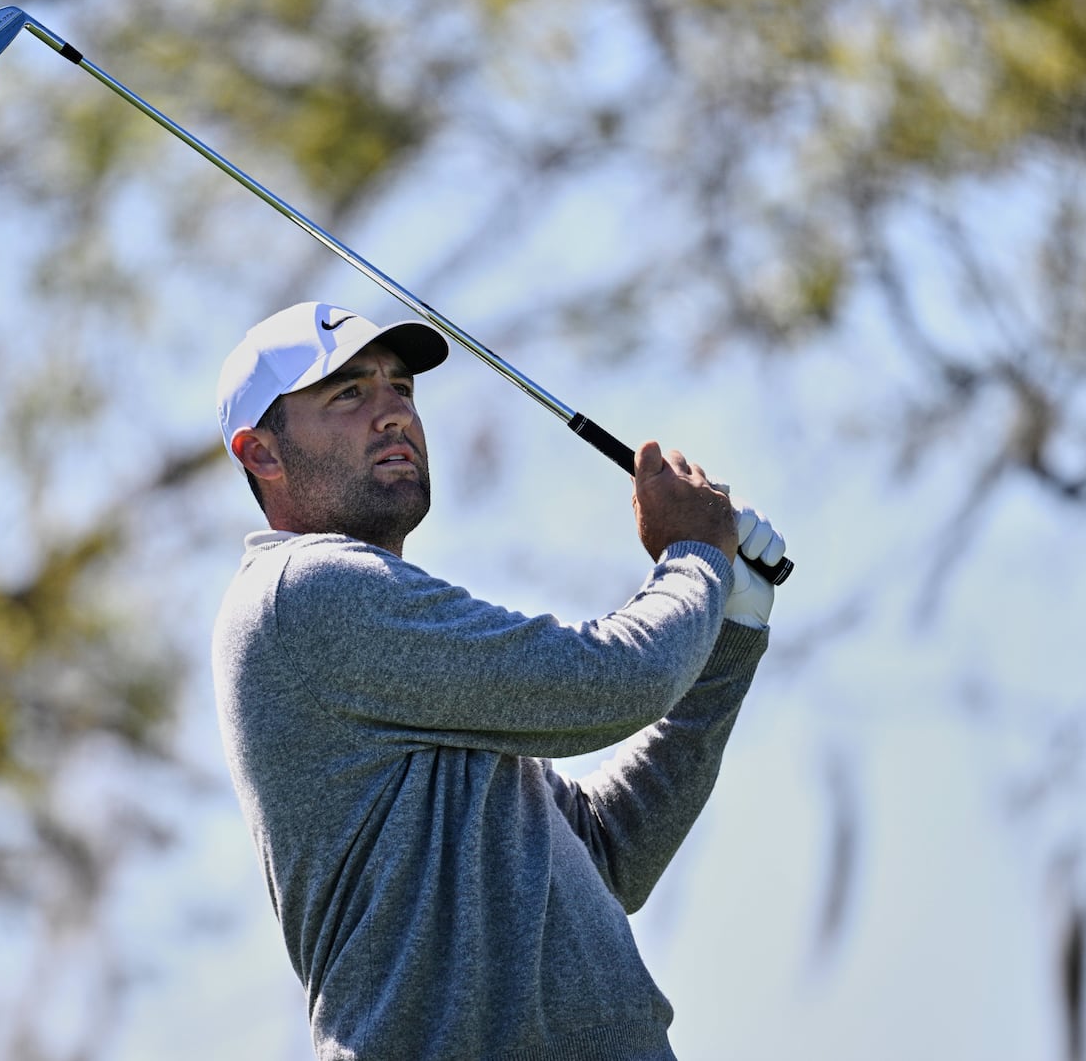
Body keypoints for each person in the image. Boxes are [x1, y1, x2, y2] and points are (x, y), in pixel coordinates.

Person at [211, 301, 784, 1060]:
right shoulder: (305, 591)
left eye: (402, 388)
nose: (392, 414)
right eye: (347, 393)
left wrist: (731, 633)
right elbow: (615, 679)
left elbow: (607, 853)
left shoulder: (397, 637)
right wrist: (692, 560)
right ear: (261, 454)